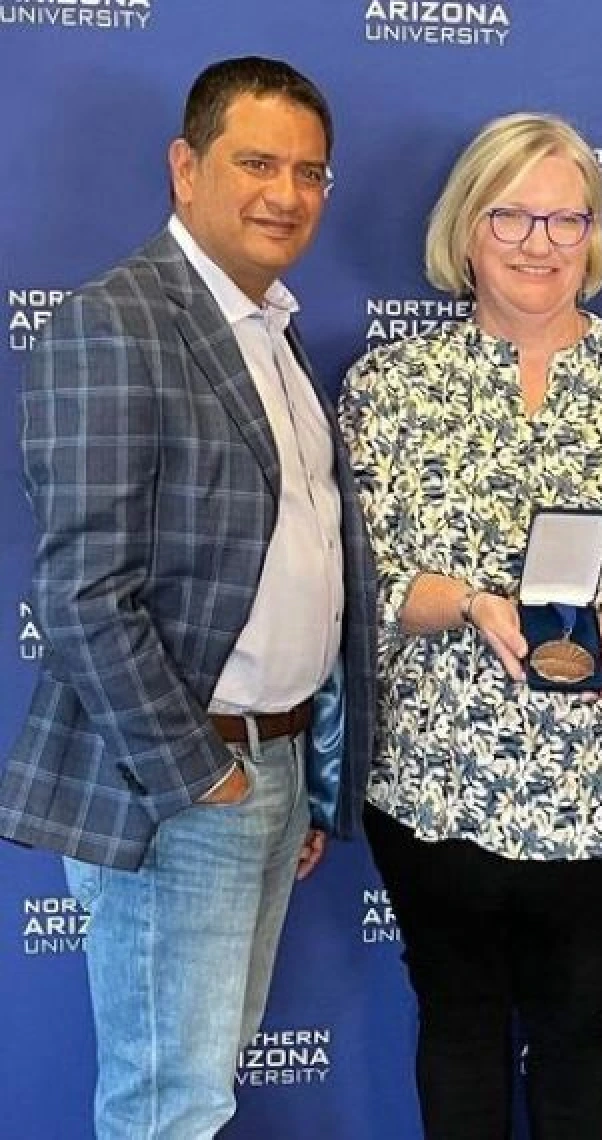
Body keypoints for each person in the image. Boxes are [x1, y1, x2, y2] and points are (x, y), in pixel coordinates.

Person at [0, 57, 376, 1139]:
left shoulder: (273, 330)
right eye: (257, 162)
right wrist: (196, 773)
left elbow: (300, 569)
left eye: (310, 172)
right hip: (179, 778)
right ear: (184, 166)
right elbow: (81, 590)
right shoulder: (115, 322)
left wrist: (301, 767)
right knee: (168, 1105)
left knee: (196, 1092)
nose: (286, 194)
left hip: (271, 762)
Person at [339, 112, 602, 1139]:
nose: (538, 242)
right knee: (458, 1026)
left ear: (592, 232)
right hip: (434, 777)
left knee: (579, 1029)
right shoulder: (388, 389)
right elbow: (349, 579)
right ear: (467, 227)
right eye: (511, 214)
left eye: (564, 218)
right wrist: (466, 603)